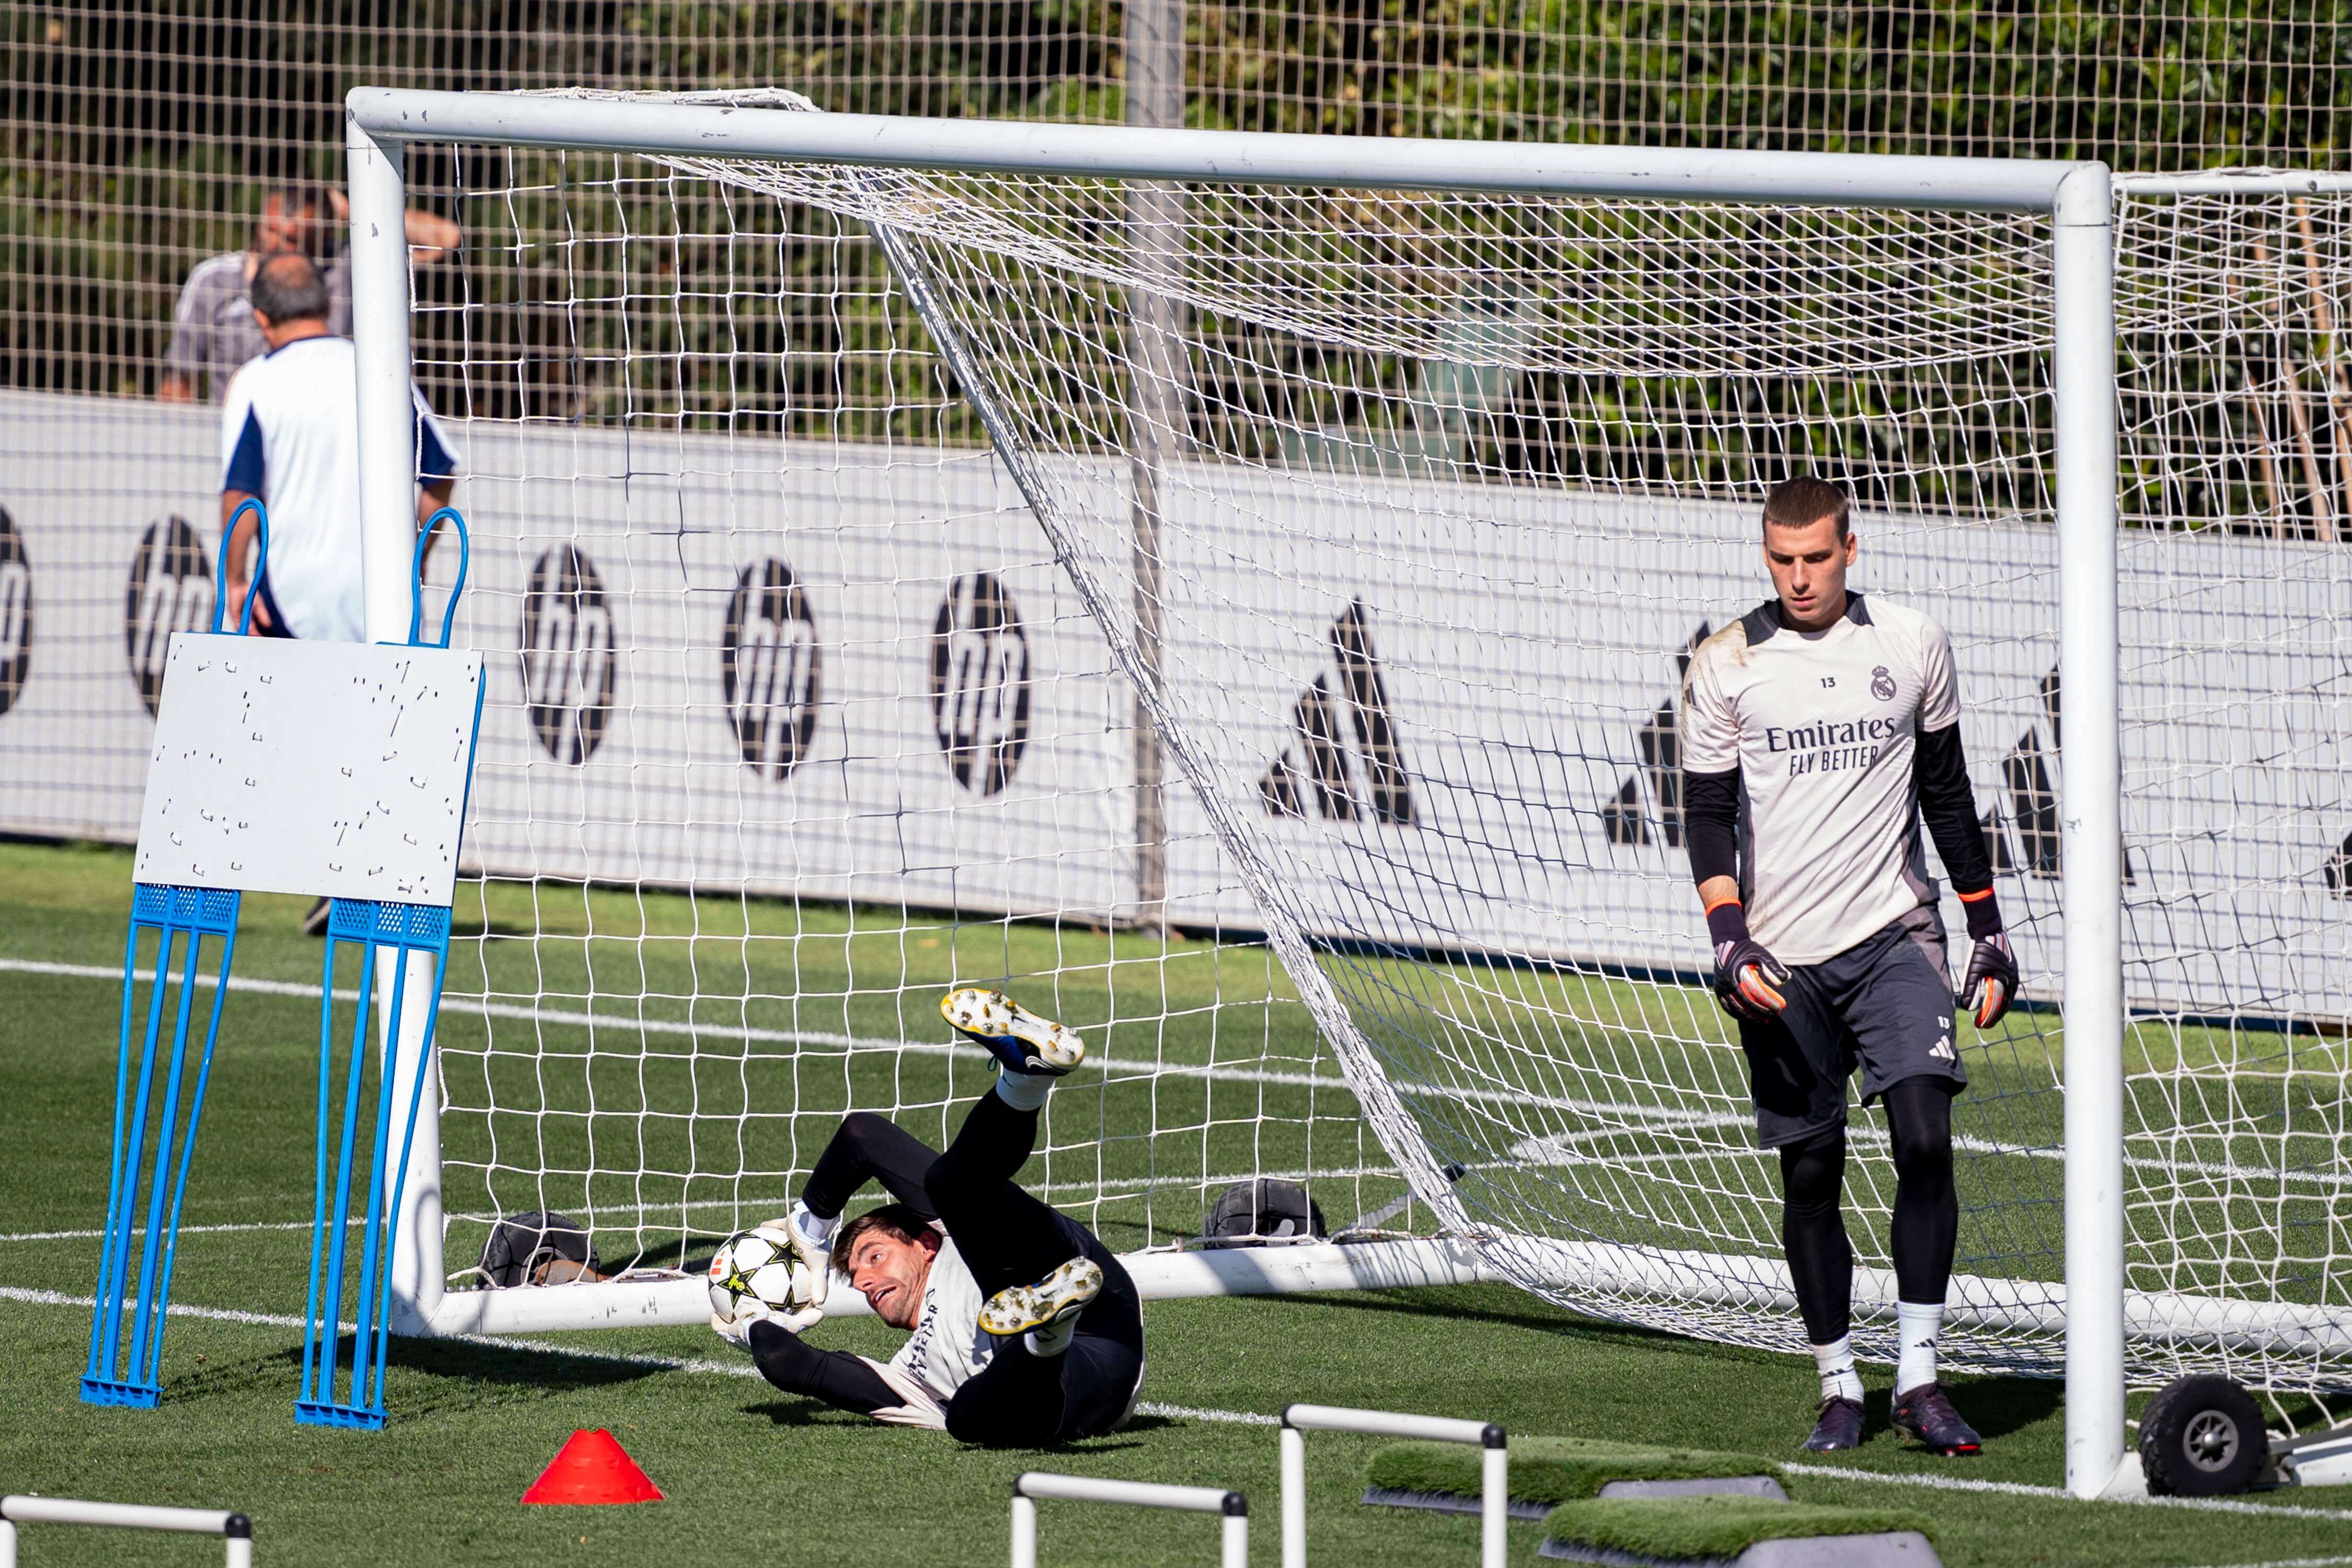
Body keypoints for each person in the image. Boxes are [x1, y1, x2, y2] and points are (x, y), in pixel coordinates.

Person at [1677, 475, 2020, 1458]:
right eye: (1781, 560)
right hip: (1781, 961)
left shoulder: (1912, 644)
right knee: (1813, 1169)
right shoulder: (1726, 663)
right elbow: (1705, 818)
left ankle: (1920, 1375)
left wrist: (1989, 928)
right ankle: (1839, 1383)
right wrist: (1728, 937)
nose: (1798, 577)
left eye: (1816, 558)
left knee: (1924, 1136)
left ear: (1850, 549)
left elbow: (1949, 797)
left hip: (1895, 938)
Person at [721, 988, 1146, 1444]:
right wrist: (752, 1321)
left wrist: (811, 1226)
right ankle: (1046, 1336)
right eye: (856, 1275)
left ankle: (1027, 1077)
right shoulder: (911, 1376)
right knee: (965, 1419)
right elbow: (793, 1366)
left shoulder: (947, 1241)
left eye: (874, 1256)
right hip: (1079, 1384)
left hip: (1085, 1296)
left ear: (923, 1244)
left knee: (951, 1188)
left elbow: (863, 1136)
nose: (863, 1281)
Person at [218, 252, 460, 933]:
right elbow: (440, 472)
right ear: (324, 303)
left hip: (293, 587)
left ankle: (341, 877)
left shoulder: (256, 383)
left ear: (262, 318)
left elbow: (242, 494)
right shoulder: (376, 367)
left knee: (300, 739)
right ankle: (367, 879)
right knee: (375, 735)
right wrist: (415, 556)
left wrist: (236, 579)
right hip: (377, 588)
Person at [160, 183, 459, 403]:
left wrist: (354, 211)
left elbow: (445, 239)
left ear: (324, 236)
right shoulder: (215, 281)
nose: (273, 244)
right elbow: (178, 379)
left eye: (290, 238)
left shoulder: (346, 269)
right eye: (269, 229)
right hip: (236, 439)